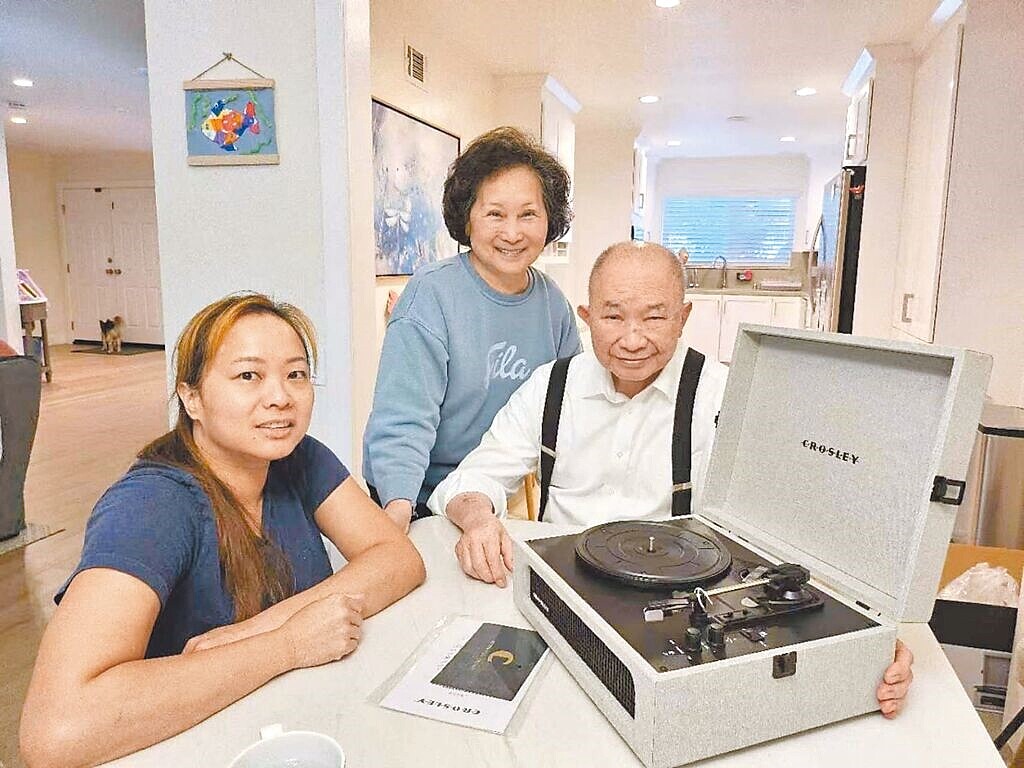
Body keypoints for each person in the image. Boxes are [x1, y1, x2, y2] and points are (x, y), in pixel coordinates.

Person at [428, 241, 915, 718]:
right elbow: (474, 478)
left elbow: (795, 525)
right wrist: (477, 519)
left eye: (655, 317)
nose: (632, 339)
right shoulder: (549, 387)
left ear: (684, 317)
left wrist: (871, 638)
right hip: (557, 601)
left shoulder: (725, 396)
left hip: (682, 616)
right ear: (586, 315)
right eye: (613, 316)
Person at [20, 293, 425, 768]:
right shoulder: (152, 504)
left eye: (295, 374)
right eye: (248, 375)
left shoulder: (298, 458)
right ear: (191, 397)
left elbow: (397, 557)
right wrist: (286, 645)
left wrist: (263, 630)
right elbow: (55, 732)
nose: (280, 397)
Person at [363, 126, 581, 532]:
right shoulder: (431, 295)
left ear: (549, 220)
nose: (512, 233)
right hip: (420, 495)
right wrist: (397, 514)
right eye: (495, 214)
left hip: (497, 492)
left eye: (528, 214)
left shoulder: (554, 305)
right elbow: (403, 419)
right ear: (467, 218)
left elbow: (571, 408)